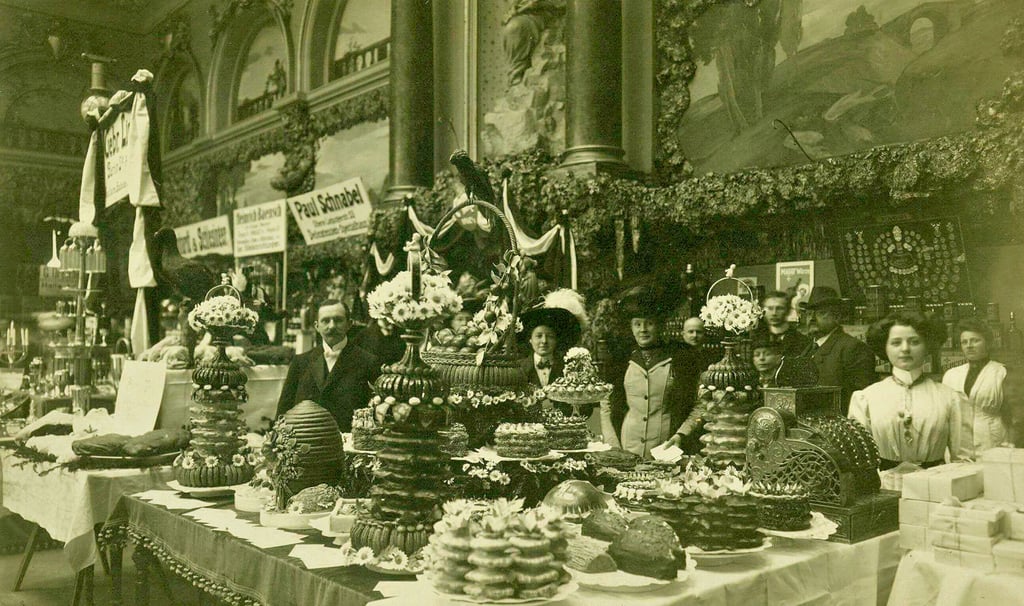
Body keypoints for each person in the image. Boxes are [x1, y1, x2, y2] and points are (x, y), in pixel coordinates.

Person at [849, 312, 964, 470]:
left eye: (914, 342)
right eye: (896, 343)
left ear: (927, 346)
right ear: (885, 347)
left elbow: (963, 460)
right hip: (884, 483)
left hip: (935, 482)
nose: (905, 349)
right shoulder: (866, 398)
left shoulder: (949, 398)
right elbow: (860, 460)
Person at [605, 287, 700, 458]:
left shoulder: (680, 359)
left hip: (666, 447)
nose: (643, 329)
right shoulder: (620, 360)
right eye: (637, 324)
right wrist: (613, 444)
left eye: (649, 323)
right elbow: (606, 404)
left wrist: (681, 434)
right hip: (627, 446)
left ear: (660, 325)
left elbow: (699, 404)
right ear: (631, 327)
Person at [276, 299, 380, 431]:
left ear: (349, 324)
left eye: (338, 320)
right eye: (325, 321)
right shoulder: (300, 363)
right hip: (305, 439)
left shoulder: (368, 362)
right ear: (317, 326)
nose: (331, 326)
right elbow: (283, 411)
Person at [942, 318, 1010, 458]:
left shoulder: (1001, 373)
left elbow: (1012, 415)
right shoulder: (951, 375)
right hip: (958, 442)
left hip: (992, 440)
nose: (969, 346)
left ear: (987, 343)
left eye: (975, 340)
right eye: (964, 342)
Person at [803, 286, 877, 413]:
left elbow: (861, 400)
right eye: (809, 314)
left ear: (836, 317)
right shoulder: (807, 349)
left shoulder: (853, 348)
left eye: (821, 313)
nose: (812, 318)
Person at [750, 290, 812, 358]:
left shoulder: (802, 341)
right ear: (763, 311)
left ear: (788, 311)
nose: (774, 313)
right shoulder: (756, 338)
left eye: (779, 308)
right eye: (770, 308)